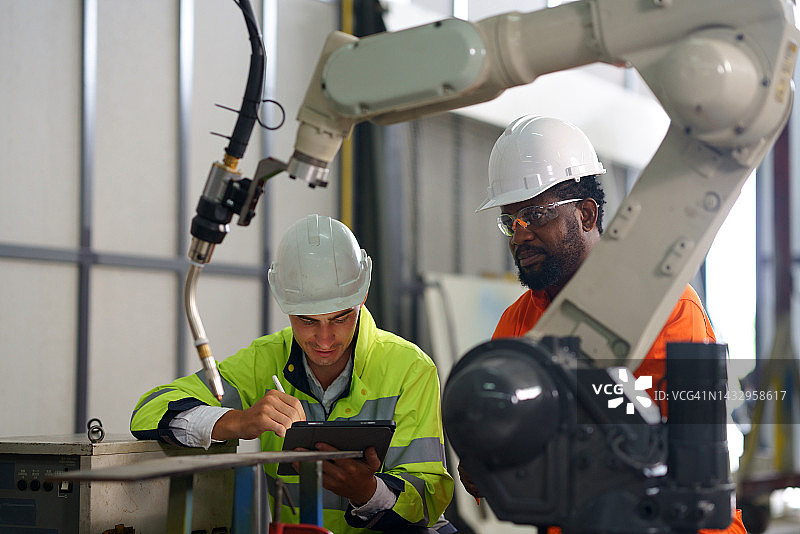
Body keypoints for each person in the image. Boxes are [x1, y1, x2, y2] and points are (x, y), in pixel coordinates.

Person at [461, 115, 746, 534]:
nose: (520, 235)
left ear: (587, 214)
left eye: (536, 215)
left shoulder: (667, 310)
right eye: (511, 220)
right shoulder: (517, 323)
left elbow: (691, 464)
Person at [131, 214, 455, 534]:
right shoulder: (264, 360)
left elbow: (429, 499)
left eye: (340, 318)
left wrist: (368, 492)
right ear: (284, 305)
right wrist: (237, 421)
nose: (324, 340)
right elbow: (149, 411)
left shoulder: (410, 369)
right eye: (308, 321)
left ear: (362, 296)